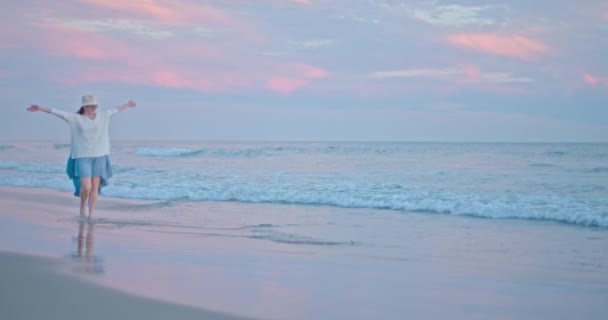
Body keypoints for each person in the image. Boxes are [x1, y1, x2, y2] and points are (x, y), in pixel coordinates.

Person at [27, 95, 136, 218]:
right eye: (91, 106)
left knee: (94, 188)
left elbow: (116, 109)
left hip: (100, 156)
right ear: (84, 106)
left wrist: (128, 104)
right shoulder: (75, 118)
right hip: (82, 157)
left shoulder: (103, 116)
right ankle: (82, 205)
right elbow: (57, 112)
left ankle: (91, 215)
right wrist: (40, 108)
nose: (94, 108)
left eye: (95, 106)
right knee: (87, 187)